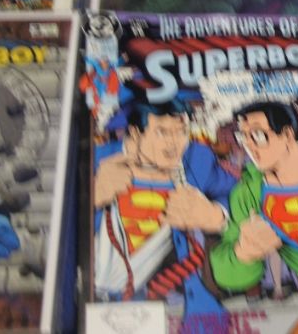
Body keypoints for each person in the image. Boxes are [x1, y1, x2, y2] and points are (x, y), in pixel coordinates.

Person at [93, 99, 236, 332]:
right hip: (101, 302)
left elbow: (236, 194)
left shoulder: (197, 159)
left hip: (173, 301)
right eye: (162, 132)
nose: (174, 143)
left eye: (181, 132)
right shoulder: (97, 159)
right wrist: (93, 196)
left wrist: (217, 215)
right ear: (135, 133)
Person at [210, 102, 298, 299]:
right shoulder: (248, 194)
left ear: (287, 134)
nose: (249, 145)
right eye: (243, 136)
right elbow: (225, 271)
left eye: (258, 135)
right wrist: (244, 252)